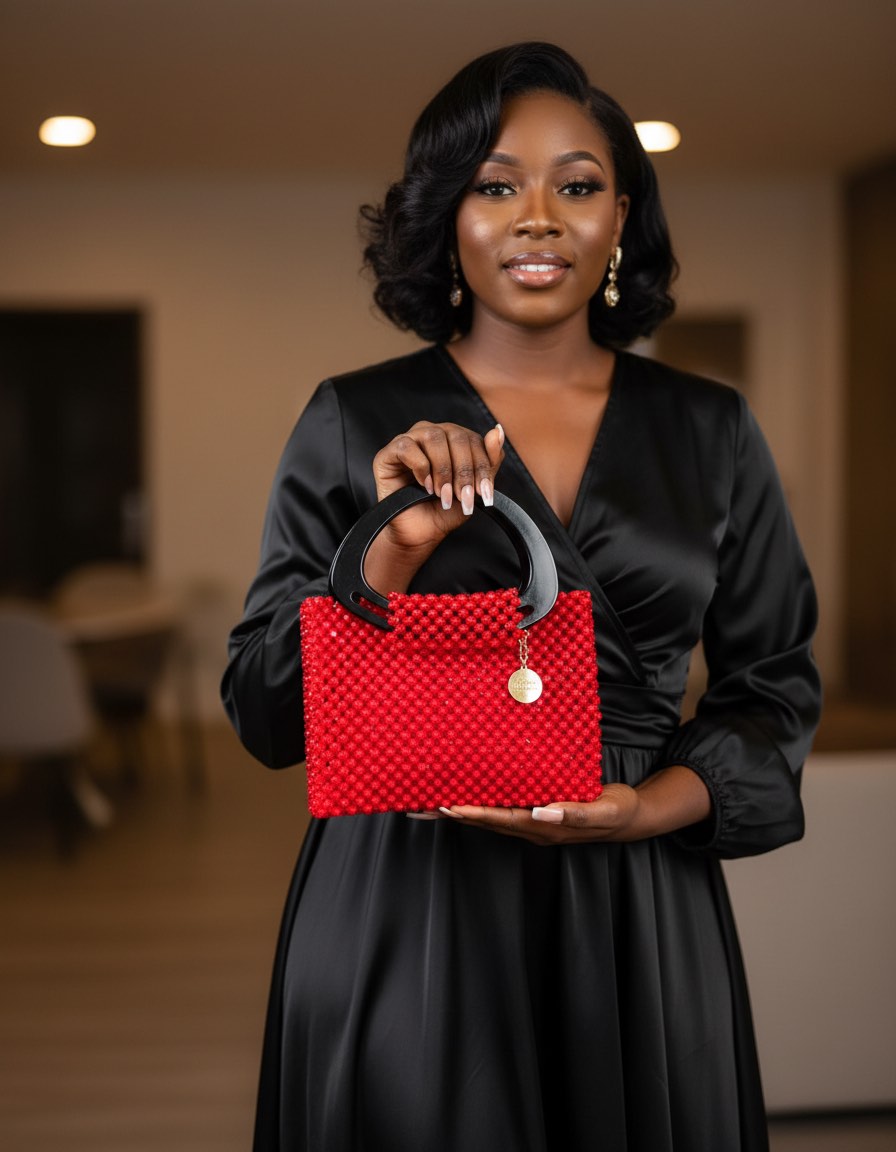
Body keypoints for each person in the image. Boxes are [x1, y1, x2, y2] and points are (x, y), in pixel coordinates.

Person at [222, 41, 821, 1152]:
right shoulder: (352, 420)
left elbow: (772, 693)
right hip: (408, 902)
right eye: (495, 184)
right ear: (447, 217)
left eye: (576, 184)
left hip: (639, 908)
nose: (536, 215)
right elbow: (262, 712)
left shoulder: (710, 429)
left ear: (619, 218)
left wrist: (645, 809)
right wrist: (393, 550)